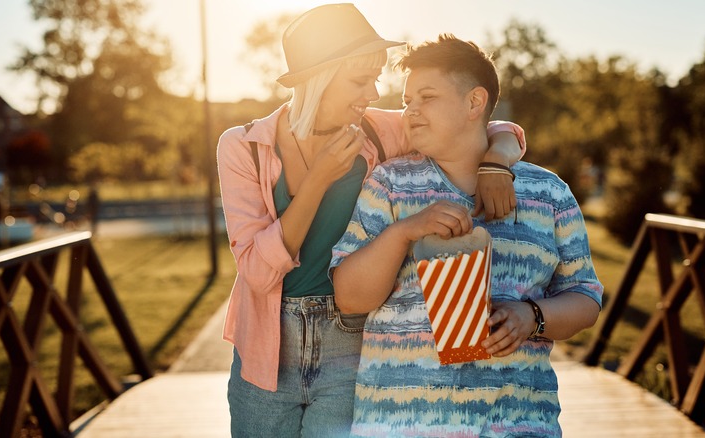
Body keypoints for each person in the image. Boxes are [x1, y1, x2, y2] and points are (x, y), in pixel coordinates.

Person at [216, 4, 526, 437]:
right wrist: (318, 181)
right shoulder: (244, 147)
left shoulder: (380, 131)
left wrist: (497, 163)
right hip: (268, 345)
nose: (373, 92)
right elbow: (256, 270)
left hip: (353, 335)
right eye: (360, 80)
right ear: (318, 78)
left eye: (376, 78)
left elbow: (485, 123)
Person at [330, 34, 604, 437]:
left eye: (427, 97)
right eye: (407, 102)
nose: (411, 112)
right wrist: (404, 232)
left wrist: (533, 317)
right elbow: (349, 298)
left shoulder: (549, 193)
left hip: (517, 425)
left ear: (474, 103)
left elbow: (586, 297)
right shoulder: (388, 184)